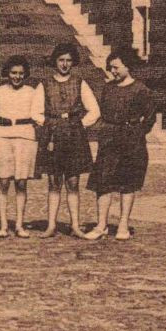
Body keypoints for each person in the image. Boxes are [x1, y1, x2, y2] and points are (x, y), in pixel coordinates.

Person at [83, 50, 157, 241]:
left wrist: (136, 134)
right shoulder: (108, 88)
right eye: (111, 68)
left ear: (127, 66)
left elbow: (149, 119)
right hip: (108, 139)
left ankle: (123, 224)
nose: (113, 71)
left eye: (116, 67)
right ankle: (101, 225)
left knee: (127, 184)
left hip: (131, 142)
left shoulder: (141, 90)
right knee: (103, 183)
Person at [37, 42, 100, 236]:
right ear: (55, 62)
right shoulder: (44, 84)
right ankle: (51, 226)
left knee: (73, 183)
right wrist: (50, 124)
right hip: (53, 137)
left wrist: (80, 124)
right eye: (61, 60)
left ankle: (74, 225)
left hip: (74, 137)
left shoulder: (80, 83)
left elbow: (94, 111)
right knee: (54, 182)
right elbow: (36, 112)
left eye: (68, 61)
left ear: (73, 63)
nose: (65, 64)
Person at [0, 55, 45, 238]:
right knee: (3, 181)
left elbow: (38, 114)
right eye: (13, 72)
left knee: (21, 182)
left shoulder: (32, 91)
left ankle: (19, 225)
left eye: (21, 73)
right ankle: (3, 225)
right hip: (2, 136)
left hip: (25, 136)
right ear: (7, 73)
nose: (17, 76)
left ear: (25, 74)